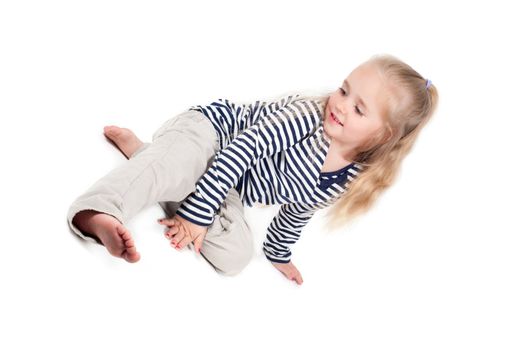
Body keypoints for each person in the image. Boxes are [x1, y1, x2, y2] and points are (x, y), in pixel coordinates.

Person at [66, 54, 438, 284]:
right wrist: (196, 218)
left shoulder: (347, 177)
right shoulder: (307, 116)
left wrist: (279, 255)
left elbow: (297, 212)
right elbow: (240, 151)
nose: (339, 104)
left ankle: (148, 157)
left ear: (382, 136)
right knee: (180, 162)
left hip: (226, 188)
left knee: (236, 257)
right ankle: (98, 212)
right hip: (213, 136)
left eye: (359, 109)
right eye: (344, 90)